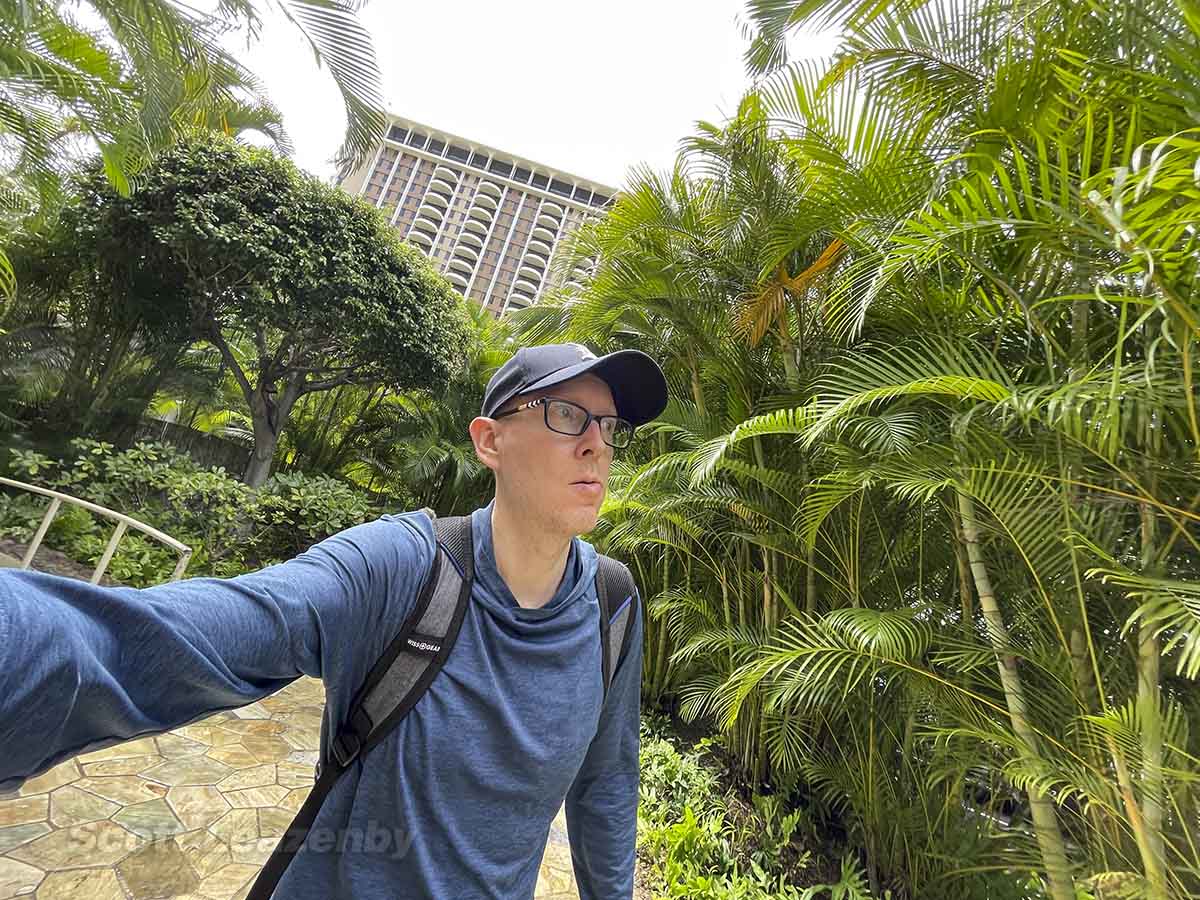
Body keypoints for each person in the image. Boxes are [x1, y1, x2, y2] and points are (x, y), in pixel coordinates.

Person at [0, 342, 669, 900]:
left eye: (608, 426)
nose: (595, 446)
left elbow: (607, 782)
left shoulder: (612, 604)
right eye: (565, 415)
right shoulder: (406, 568)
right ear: (489, 441)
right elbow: (188, 634)